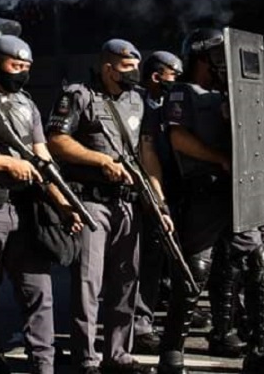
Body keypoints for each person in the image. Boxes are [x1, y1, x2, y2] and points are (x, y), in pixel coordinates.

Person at [156, 28, 264, 374]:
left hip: (239, 193)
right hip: (205, 191)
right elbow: (178, 138)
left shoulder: (229, 94)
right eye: (218, 55)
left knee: (260, 262)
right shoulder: (183, 93)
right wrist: (218, 158)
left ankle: (259, 350)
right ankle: (172, 352)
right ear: (203, 57)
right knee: (194, 272)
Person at [0, 35, 82, 374]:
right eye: (14, 65)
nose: (20, 73)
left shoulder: (27, 104)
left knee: (39, 294)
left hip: (27, 209)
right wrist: (6, 164)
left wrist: (64, 203)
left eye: (26, 68)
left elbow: (43, 158)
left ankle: (44, 366)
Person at [47, 39, 171, 374]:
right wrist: (100, 159)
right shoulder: (78, 95)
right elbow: (56, 141)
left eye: (136, 66)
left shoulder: (138, 100)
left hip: (128, 203)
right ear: (108, 67)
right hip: (91, 201)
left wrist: (159, 202)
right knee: (88, 283)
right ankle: (86, 358)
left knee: (126, 280)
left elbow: (147, 153)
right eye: (127, 67)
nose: (134, 72)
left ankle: (118, 354)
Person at [133, 51, 184, 355]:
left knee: (167, 261)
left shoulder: (170, 104)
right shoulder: (135, 103)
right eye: (172, 76)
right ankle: (140, 325)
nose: (176, 82)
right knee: (146, 262)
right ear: (156, 76)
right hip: (145, 193)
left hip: (172, 190)